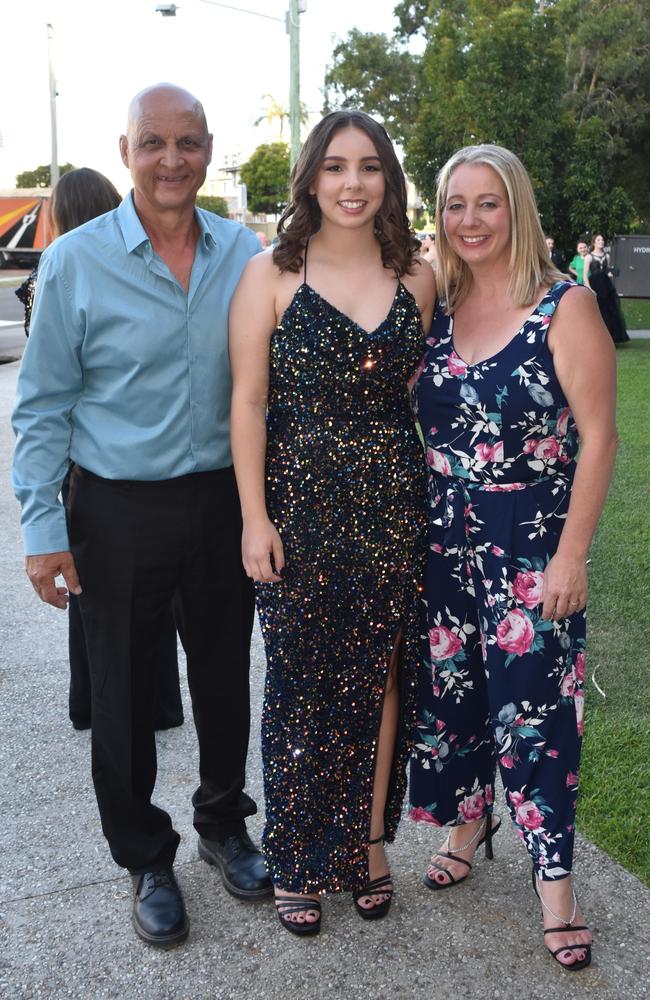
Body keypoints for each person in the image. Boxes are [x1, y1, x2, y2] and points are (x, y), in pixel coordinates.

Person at [12, 84, 271, 947]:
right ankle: (144, 855)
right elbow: (41, 405)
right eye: (154, 142)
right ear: (126, 150)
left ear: (208, 148)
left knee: (226, 675)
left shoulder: (246, 252)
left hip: (222, 496)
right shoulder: (76, 261)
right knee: (121, 691)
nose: (172, 160)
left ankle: (224, 822)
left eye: (188, 142)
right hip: (116, 507)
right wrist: (43, 532)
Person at [409, 144, 617, 971]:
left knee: (535, 713)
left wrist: (573, 556)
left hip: (532, 543)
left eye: (486, 203)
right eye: (455, 204)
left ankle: (557, 888)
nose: (469, 219)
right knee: (454, 698)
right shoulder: (440, 299)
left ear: (516, 208)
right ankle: (470, 821)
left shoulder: (563, 307)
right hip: (444, 535)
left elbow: (599, 437)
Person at [229, 109, 435, 936]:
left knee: (380, 676)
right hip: (297, 504)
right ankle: (298, 853)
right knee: (302, 681)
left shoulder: (418, 274)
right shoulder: (272, 273)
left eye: (371, 167)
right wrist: (254, 518)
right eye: (338, 166)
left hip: (393, 502)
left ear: (389, 180)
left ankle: (370, 841)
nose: (354, 183)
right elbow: (246, 402)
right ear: (311, 177)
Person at [15, 166, 184, 732]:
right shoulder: (75, 264)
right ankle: (156, 703)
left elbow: (49, 391)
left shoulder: (60, 265)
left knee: (102, 603)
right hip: (100, 461)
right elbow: (46, 390)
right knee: (140, 601)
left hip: (89, 461)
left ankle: (97, 701)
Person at [584, 233, 630, 345]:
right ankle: (595, 338)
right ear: (594, 242)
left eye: (602, 240)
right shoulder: (589, 257)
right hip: (595, 285)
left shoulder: (607, 256)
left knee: (609, 311)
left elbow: (607, 270)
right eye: (599, 240)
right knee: (597, 311)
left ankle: (611, 338)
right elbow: (585, 274)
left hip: (606, 286)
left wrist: (610, 274)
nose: (601, 242)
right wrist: (589, 288)